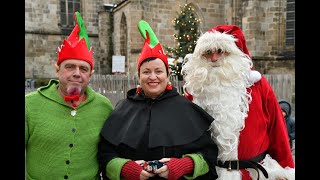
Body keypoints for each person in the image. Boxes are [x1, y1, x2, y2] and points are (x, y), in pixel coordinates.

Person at [97, 20, 219, 180]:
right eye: (146, 71)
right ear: (139, 76)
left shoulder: (186, 109)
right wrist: (125, 168)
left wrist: (183, 165)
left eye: (158, 71)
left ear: (167, 75)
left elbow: (207, 156)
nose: (152, 77)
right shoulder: (123, 108)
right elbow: (105, 154)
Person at [182, 25, 295, 180]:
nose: (214, 58)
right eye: (208, 53)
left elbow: (278, 130)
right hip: (210, 175)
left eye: (221, 51)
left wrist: (286, 169)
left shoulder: (258, 85)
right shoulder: (195, 90)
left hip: (256, 174)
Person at [25, 12, 114, 179]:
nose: (77, 73)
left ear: (90, 74)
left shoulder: (104, 107)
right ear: (57, 70)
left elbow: (110, 152)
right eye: (70, 67)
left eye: (84, 69)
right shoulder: (30, 105)